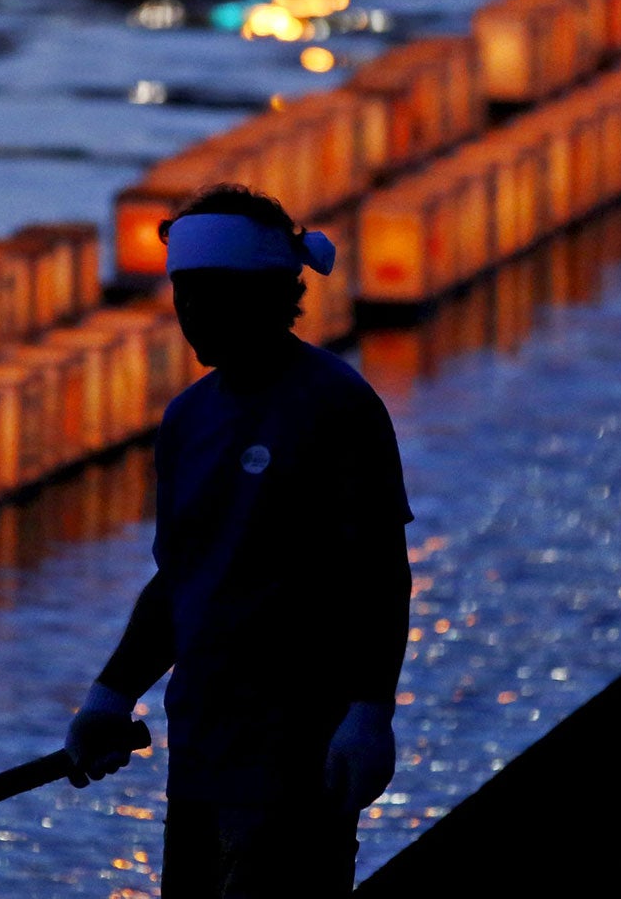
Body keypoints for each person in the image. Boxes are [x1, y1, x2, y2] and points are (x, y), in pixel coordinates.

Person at [63, 184, 414, 897]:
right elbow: (180, 581)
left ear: (268, 294)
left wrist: (370, 712)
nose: (191, 313)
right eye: (183, 293)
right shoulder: (187, 420)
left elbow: (379, 573)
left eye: (212, 294)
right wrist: (109, 695)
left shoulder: (336, 407)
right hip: (200, 744)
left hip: (296, 750)